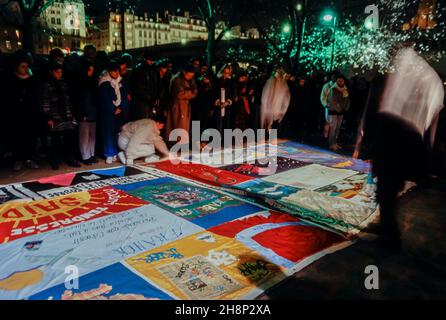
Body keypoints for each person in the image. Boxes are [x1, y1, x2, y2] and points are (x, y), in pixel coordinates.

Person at [371, 48, 445, 250]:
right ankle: (386, 228)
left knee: (386, 196)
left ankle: (391, 237)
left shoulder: (396, 120)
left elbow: (390, 145)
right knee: (385, 195)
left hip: (392, 163)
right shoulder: (398, 119)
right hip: (391, 162)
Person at [40, 62, 80, 170]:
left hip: (66, 115)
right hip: (54, 116)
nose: (60, 74)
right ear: (52, 72)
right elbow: (45, 102)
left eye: (61, 72)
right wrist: (48, 117)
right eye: (57, 72)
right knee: (55, 140)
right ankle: (55, 160)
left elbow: (68, 100)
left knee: (69, 138)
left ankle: (69, 158)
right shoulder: (47, 85)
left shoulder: (63, 84)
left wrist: (71, 114)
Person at [5, 54, 40, 171]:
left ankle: (29, 158)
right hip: (16, 114)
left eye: (26, 66)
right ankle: (18, 159)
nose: (25, 68)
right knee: (17, 136)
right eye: (22, 66)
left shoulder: (32, 79)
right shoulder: (11, 79)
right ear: (17, 67)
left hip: (30, 113)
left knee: (30, 137)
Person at [165, 64, 198, 145]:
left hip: (185, 106)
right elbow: (180, 94)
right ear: (184, 72)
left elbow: (196, 92)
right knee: (179, 126)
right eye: (189, 75)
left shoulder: (191, 80)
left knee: (184, 126)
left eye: (192, 76)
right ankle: (177, 144)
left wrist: (190, 92)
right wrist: (191, 92)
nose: (190, 77)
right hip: (178, 107)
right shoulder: (177, 80)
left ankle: (182, 144)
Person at [98, 61, 123, 164]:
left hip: (115, 110)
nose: (117, 74)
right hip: (107, 111)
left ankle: (113, 153)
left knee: (113, 132)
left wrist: (119, 107)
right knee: (108, 133)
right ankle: (109, 153)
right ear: (110, 72)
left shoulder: (116, 81)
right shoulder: (104, 82)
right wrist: (114, 109)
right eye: (115, 71)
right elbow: (106, 99)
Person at [77, 62, 98, 165]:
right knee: (84, 136)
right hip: (85, 112)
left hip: (92, 111)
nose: (92, 72)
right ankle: (85, 156)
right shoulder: (81, 83)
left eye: (93, 70)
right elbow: (80, 100)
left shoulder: (92, 82)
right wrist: (82, 113)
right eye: (90, 70)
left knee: (91, 135)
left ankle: (91, 154)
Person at [129, 50, 160, 120]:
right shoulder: (138, 70)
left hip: (151, 100)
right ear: (145, 59)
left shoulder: (154, 69)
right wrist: (149, 98)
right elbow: (137, 88)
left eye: (153, 60)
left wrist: (156, 97)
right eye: (150, 60)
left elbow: (157, 84)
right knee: (143, 121)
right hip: (142, 102)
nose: (152, 62)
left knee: (150, 120)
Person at [260, 67, 291, 134]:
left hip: (276, 108)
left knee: (273, 123)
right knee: (268, 122)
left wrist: (283, 109)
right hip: (270, 108)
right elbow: (266, 94)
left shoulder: (283, 84)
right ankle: (267, 135)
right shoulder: (271, 82)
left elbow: (286, 97)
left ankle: (270, 136)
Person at [326, 75, 350, 151]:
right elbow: (333, 101)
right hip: (333, 111)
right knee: (333, 128)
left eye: (342, 81)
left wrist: (346, 108)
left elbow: (347, 100)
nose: (340, 82)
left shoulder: (345, 89)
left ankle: (335, 143)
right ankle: (331, 144)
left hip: (341, 112)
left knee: (337, 128)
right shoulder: (333, 89)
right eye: (338, 80)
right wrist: (338, 109)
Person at [320, 72, 337, 139]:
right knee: (328, 121)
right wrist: (326, 104)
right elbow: (322, 96)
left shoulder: (338, 86)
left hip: (336, 107)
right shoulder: (327, 86)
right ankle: (326, 135)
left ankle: (332, 136)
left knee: (334, 123)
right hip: (329, 106)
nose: (334, 78)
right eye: (333, 77)